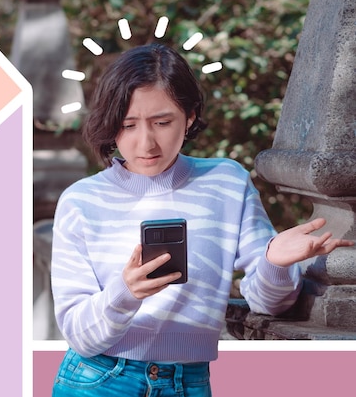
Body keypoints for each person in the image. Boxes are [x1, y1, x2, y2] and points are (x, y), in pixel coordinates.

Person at [49, 42, 354, 397]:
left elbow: (269, 303)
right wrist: (125, 293)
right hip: (99, 379)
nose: (145, 143)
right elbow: (79, 333)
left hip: (189, 382)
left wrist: (273, 261)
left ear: (190, 116)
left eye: (162, 122)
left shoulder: (226, 183)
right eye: (128, 125)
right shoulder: (81, 201)